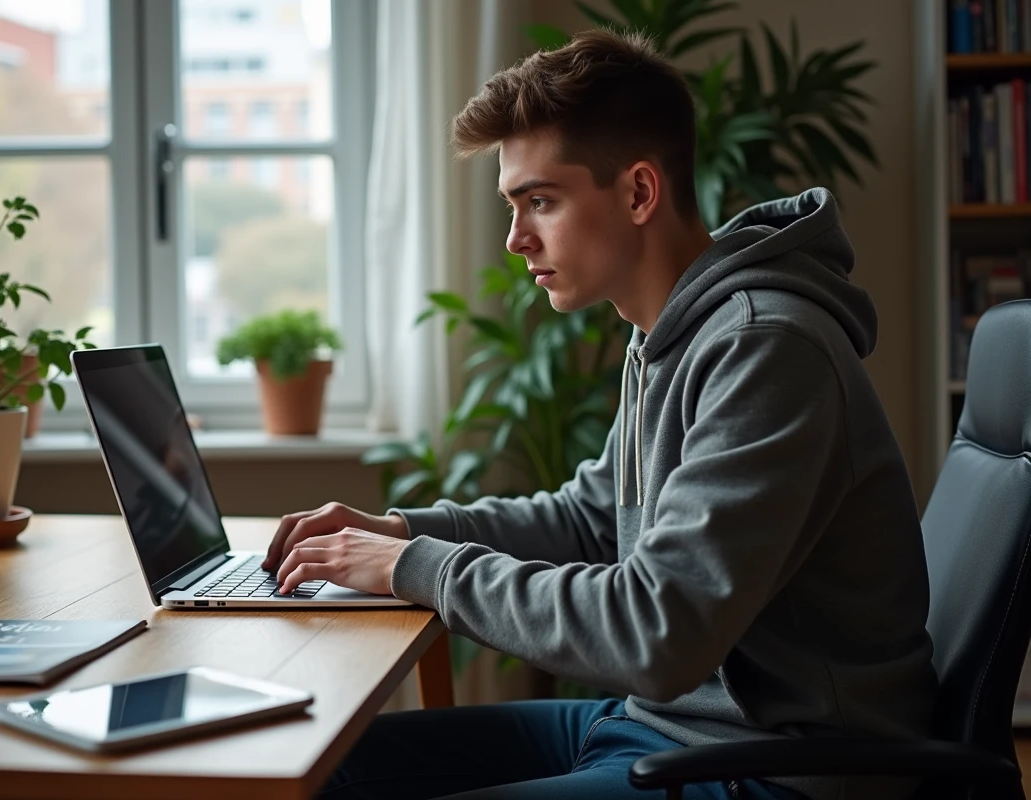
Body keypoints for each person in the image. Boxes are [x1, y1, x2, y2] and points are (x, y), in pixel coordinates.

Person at [262, 29, 937, 800]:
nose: (516, 240)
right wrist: (405, 533)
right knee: (318, 767)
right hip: (664, 726)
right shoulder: (666, 336)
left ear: (640, 192)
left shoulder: (765, 349)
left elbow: (660, 632)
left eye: (540, 202)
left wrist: (415, 571)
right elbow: (590, 520)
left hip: (775, 769)